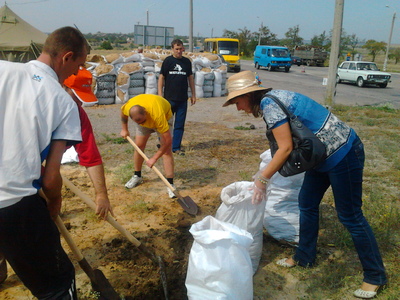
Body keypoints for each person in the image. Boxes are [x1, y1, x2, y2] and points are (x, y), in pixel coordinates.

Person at [222, 70, 387, 299]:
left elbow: (285, 147)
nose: (238, 108)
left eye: (237, 101)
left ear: (249, 95)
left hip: (343, 154)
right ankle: (305, 256)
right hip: (320, 157)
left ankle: (374, 275)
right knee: (306, 204)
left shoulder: (270, 105)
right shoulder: (273, 99)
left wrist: (262, 180)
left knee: (350, 216)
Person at [0, 26, 88, 299]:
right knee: (58, 284)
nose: (75, 74)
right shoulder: (63, 102)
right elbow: (51, 178)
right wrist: (54, 201)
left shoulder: (3, 70)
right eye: (78, 66)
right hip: (12, 203)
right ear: (67, 56)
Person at [63, 67, 114, 220]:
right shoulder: (39, 106)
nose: (79, 102)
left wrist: (101, 194)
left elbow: (91, 156)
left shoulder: (77, 114)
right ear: (63, 86)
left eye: (82, 98)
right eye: (76, 95)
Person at [120, 94, 176, 198]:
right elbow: (123, 114)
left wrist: (154, 158)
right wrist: (124, 129)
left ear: (145, 112)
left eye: (143, 121)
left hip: (164, 117)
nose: (142, 124)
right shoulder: (129, 108)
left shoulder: (158, 116)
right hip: (143, 115)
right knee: (139, 146)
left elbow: (168, 141)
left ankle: (170, 184)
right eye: (138, 122)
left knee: (167, 151)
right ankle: (137, 176)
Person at [158, 39, 196, 155]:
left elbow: (190, 78)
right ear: (172, 49)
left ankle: (176, 147)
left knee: (179, 125)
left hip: (182, 99)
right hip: (169, 99)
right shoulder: (168, 61)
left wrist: (193, 94)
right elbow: (161, 78)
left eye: (181, 49)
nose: (179, 51)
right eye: (177, 49)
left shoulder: (187, 62)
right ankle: (163, 144)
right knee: (166, 124)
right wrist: (160, 95)